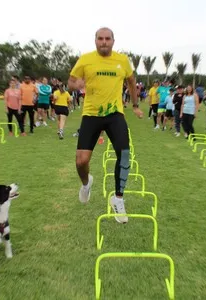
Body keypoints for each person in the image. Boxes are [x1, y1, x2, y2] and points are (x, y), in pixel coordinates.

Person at [68, 27, 143, 224]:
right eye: (100, 38)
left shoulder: (122, 60)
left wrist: (135, 106)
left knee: (125, 154)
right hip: (91, 114)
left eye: (107, 38)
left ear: (113, 41)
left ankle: (118, 198)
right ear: (95, 41)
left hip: (114, 114)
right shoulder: (85, 59)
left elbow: (132, 83)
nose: (104, 42)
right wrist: (76, 85)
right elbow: (71, 82)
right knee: (81, 162)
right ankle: (86, 183)